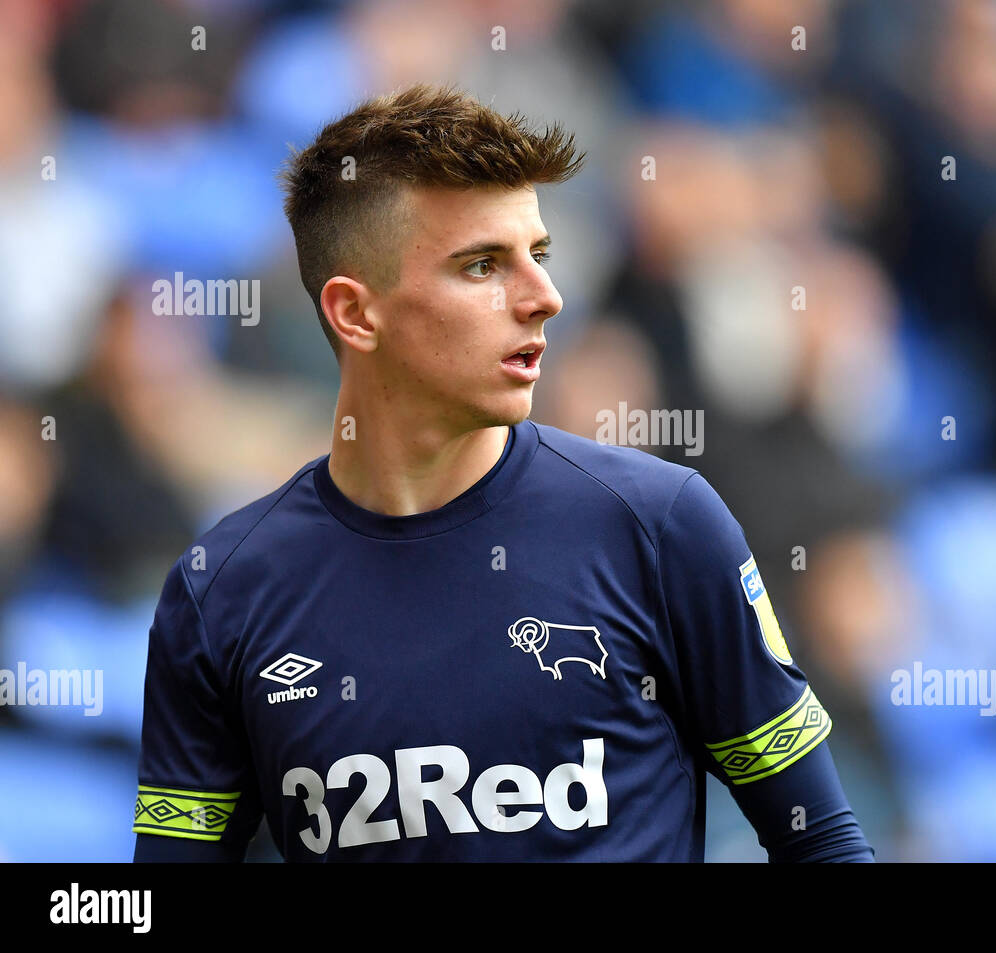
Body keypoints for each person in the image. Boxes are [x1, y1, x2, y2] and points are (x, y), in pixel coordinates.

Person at [132, 84, 873, 862]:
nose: (545, 297)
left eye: (539, 255)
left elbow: (821, 841)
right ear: (355, 313)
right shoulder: (221, 592)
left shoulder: (662, 527)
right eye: (483, 265)